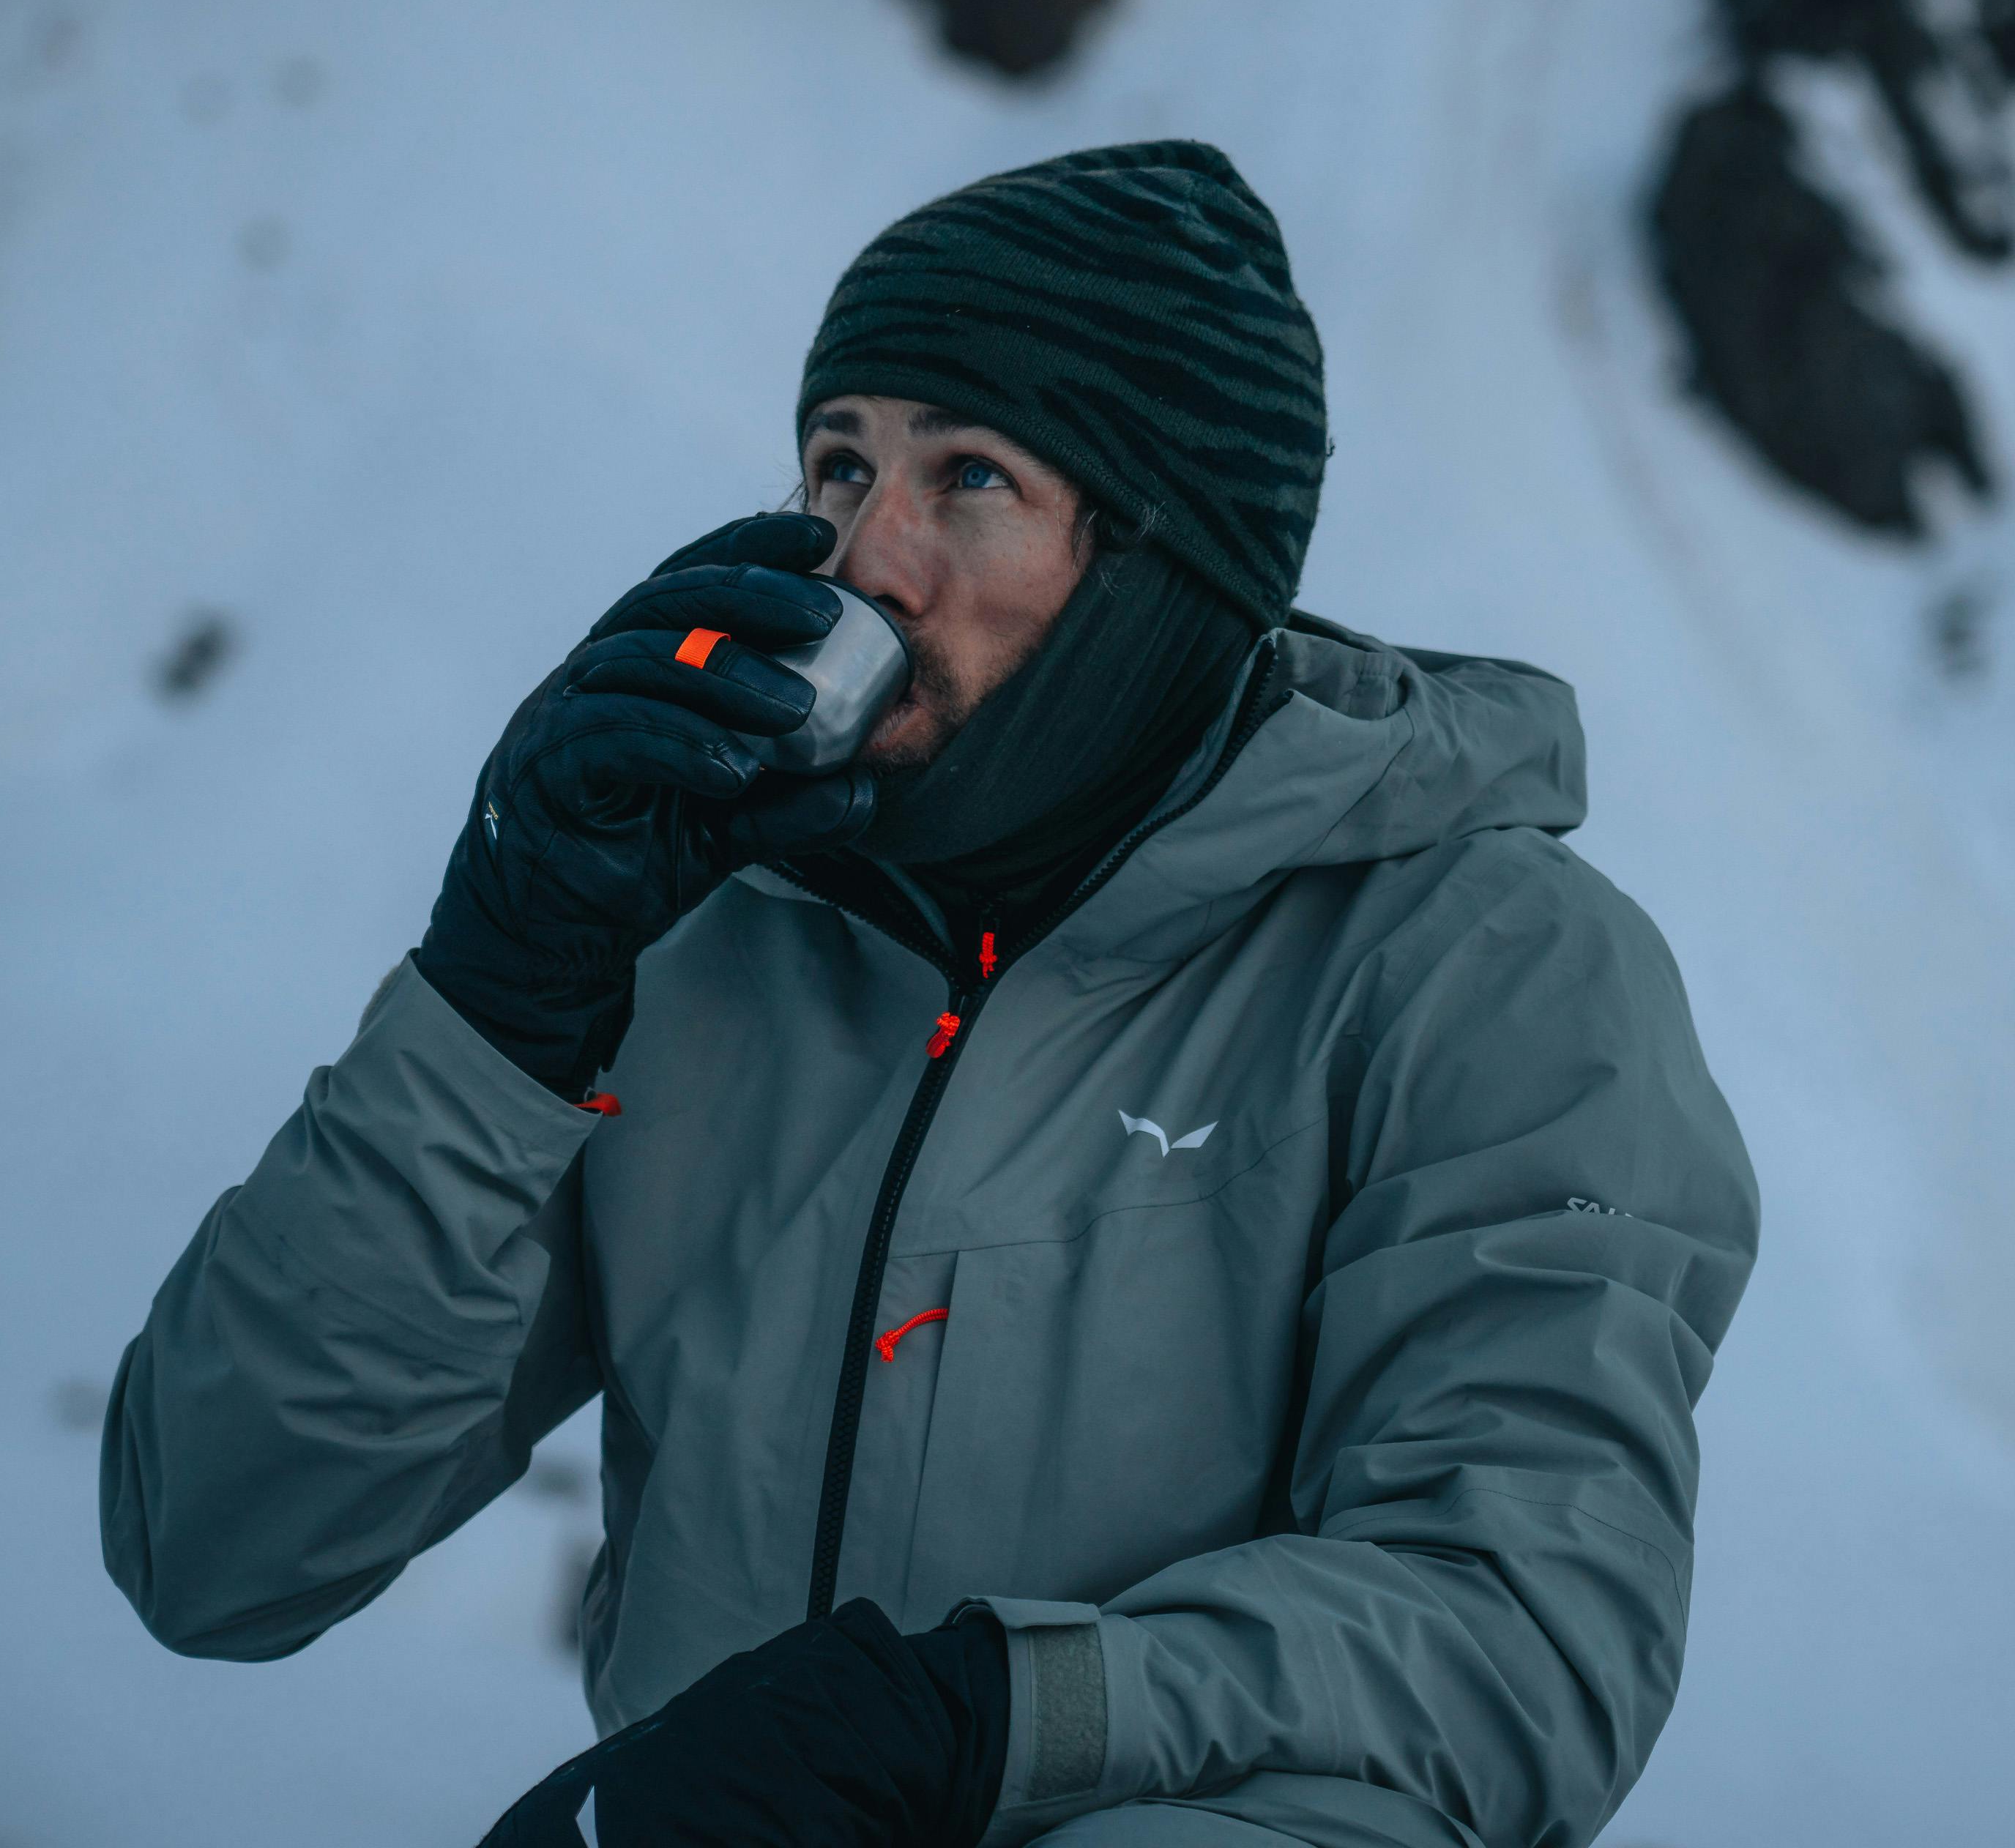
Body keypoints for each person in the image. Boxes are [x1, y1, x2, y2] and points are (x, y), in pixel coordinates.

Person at [100, 141, 1759, 1848]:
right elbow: (217, 1543)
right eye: (836, 462)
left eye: (968, 474)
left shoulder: (1479, 965)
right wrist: (500, 988)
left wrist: (976, 1714)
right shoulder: (698, 938)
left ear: (1154, 563)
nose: (860, 555)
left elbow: (1521, 1648)